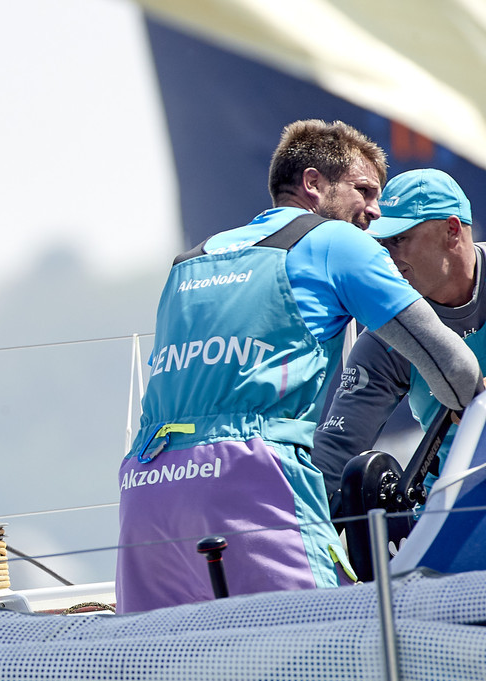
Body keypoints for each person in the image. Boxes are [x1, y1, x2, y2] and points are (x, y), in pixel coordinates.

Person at [116, 120, 485, 612]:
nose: (374, 217)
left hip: (146, 487)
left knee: (163, 670)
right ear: (313, 184)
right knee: (327, 654)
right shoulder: (335, 241)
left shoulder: (191, 260)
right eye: (365, 191)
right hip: (250, 479)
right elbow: (457, 374)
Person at [314, 169, 486, 507]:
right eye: (379, 243)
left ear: (452, 231)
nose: (386, 258)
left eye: (399, 240)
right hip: (455, 513)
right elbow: (334, 457)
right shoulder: (386, 334)